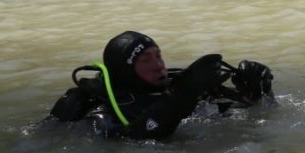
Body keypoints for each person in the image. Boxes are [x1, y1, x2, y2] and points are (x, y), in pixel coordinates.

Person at [48, 30, 274, 140]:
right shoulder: (100, 111)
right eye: (146, 60)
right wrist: (183, 95)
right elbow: (128, 144)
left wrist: (258, 90)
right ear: (125, 70)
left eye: (158, 56)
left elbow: (255, 116)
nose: (159, 66)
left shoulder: (176, 88)